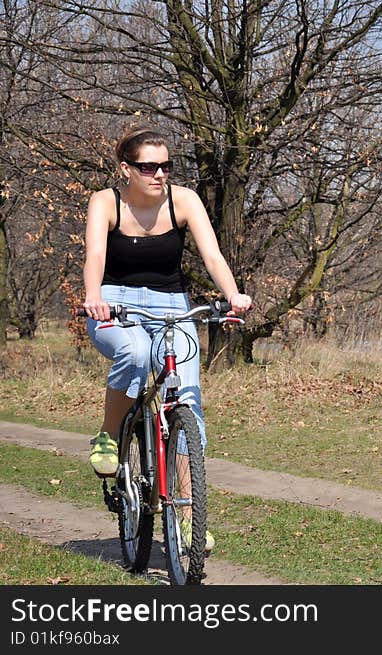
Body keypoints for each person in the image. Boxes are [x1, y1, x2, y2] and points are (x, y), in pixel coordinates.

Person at [82, 126, 252, 551]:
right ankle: (108, 435)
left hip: (172, 305)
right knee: (136, 351)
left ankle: (188, 519)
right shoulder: (106, 203)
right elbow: (96, 257)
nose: (160, 174)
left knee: (188, 405)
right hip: (115, 301)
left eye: (166, 166)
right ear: (127, 169)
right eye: (149, 166)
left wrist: (232, 295)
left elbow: (212, 255)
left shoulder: (184, 200)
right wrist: (93, 298)